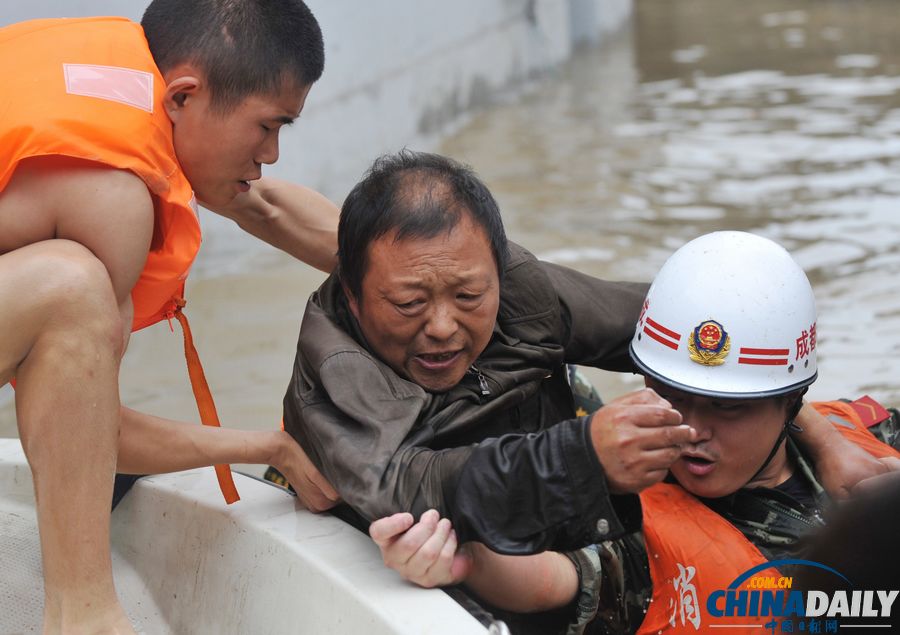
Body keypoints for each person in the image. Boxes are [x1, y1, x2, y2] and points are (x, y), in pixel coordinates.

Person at [282, 150, 888, 559]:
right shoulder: (335, 373)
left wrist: (823, 440)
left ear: (499, 270)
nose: (443, 327)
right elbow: (405, 492)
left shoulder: (524, 290)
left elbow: (719, 337)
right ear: (355, 298)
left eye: (469, 295)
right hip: (456, 541)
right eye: (409, 304)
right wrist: (584, 455)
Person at [369, 231, 900, 634]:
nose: (691, 430)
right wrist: (465, 560)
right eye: (671, 397)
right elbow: (555, 578)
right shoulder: (633, 517)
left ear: (790, 403)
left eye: (726, 409)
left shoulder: (873, 441)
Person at [0, 2, 338, 632]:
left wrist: (466, 276)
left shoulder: (92, 79)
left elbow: (264, 206)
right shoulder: (113, 200)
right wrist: (270, 447)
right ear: (182, 96)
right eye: (269, 126)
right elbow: (88, 437)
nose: (271, 154)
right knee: (72, 285)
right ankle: (86, 620)